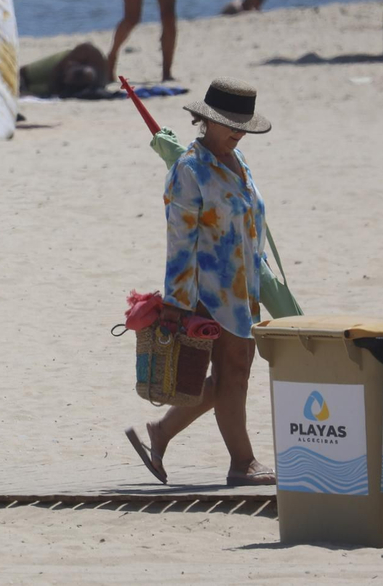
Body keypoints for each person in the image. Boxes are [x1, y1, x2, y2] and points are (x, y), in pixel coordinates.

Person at [125, 78, 277, 487]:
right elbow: (180, 241)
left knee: (233, 374)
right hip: (208, 292)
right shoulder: (189, 170)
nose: (238, 132)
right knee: (233, 374)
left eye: (243, 125)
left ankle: (161, 432)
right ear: (206, 120)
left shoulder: (237, 160)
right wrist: (178, 303)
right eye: (231, 124)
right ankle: (242, 462)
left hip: (243, 290)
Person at [18, 43, 108, 98]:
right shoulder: (87, 52)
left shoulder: (94, 84)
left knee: (30, 89)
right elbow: (56, 71)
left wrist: (54, 89)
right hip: (61, 62)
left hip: (63, 85)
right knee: (23, 74)